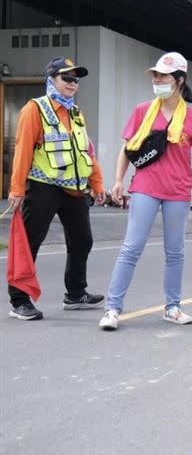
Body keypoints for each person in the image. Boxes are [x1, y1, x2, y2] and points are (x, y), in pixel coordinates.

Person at [98, 51, 192, 331]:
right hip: (145, 187)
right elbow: (128, 148)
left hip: (178, 191)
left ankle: (172, 307)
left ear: (179, 80)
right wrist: (119, 180)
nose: (157, 79)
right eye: (155, 75)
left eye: (163, 75)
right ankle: (112, 309)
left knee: (175, 251)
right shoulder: (142, 111)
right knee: (131, 247)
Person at [7, 57, 106, 320]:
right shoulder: (34, 109)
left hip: (74, 190)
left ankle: (75, 294)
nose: (73, 84)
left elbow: (87, 150)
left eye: (76, 79)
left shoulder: (76, 113)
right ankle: (18, 300)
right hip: (42, 187)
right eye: (67, 78)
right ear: (51, 79)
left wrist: (97, 183)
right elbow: (23, 150)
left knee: (83, 240)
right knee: (30, 243)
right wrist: (17, 189)